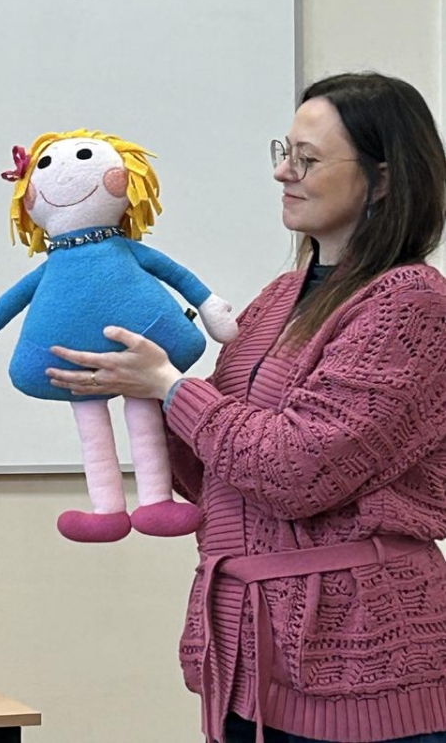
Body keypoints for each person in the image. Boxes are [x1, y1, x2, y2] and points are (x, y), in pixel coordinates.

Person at [45, 72, 446, 743]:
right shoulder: (279, 297)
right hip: (250, 663)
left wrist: (171, 389)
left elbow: (295, 470)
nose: (283, 173)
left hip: (361, 669)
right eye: (283, 152)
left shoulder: (409, 304)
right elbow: (221, 475)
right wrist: (132, 386)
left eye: (308, 159)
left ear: (381, 180)